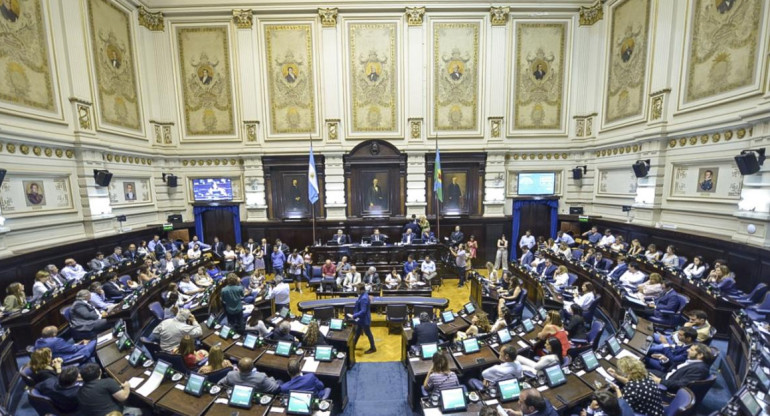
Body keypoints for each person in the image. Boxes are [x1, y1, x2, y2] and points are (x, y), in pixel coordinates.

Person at [351, 285, 376, 354]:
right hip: (361, 319)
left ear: (361, 290)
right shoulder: (364, 295)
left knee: (368, 333)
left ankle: (373, 348)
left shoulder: (364, 298)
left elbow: (363, 311)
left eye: (357, 289)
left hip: (364, 320)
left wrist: (354, 316)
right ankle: (353, 345)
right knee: (358, 332)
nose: (356, 290)